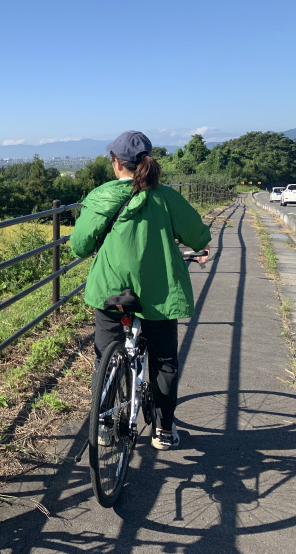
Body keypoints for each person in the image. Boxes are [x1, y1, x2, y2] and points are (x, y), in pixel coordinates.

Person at [69, 130, 211, 450]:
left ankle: (104, 424)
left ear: (117, 163)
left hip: (110, 291)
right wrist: (200, 246)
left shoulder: (102, 196)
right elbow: (198, 235)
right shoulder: (167, 197)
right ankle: (163, 431)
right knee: (163, 361)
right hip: (159, 293)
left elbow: (79, 246)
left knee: (106, 355)